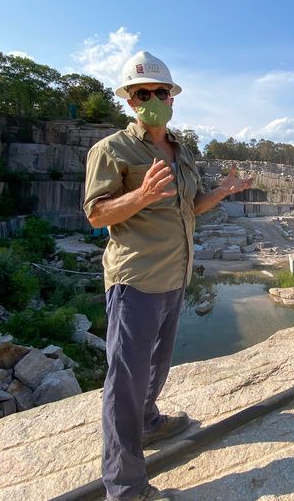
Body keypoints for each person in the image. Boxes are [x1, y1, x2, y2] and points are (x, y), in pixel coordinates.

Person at [83, 51, 254, 501]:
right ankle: (125, 487)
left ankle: (147, 423)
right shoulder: (112, 150)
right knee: (126, 382)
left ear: (172, 98)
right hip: (135, 280)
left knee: (156, 366)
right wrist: (139, 196)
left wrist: (220, 192)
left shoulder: (181, 152)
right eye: (143, 94)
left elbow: (188, 207)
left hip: (175, 276)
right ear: (130, 101)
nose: (153, 100)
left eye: (160, 92)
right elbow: (96, 215)